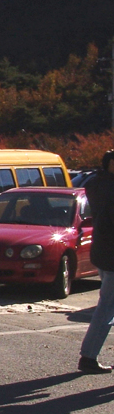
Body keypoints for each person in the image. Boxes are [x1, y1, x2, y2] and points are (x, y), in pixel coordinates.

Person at [78, 149, 114, 374]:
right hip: (111, 255)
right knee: (106, 308)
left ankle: (89, 355)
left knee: (107, 305)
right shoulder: (109, 189)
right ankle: (88, 356)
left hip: (102, 252)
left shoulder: (97, 184)